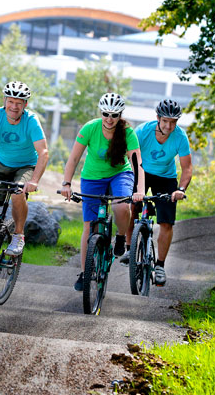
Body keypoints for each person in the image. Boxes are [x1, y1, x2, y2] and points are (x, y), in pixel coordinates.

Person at [60, 93, 145, 291]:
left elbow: (137, 164)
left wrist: (139, 190)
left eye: (114, 115)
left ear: (120, 115)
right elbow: (73, 159)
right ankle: (85, 272)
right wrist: (66, 183)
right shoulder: (90, 128)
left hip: (119, 174)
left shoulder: (127, 133)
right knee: (89, 226)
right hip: (92, 176)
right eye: (106, 113)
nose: (109, 118)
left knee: (121, 205)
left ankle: (122, 237)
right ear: (101, 112)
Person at [120, 99, 192, 287]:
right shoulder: (143, 132)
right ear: (158, 118)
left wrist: (180, 190)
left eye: (173, 122)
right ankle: (129, 247)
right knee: (132, 206)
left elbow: (187, 168)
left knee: (166, 222)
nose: (169, 126)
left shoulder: (180, 137)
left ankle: (159, 265)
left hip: (166, 178)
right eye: (165, 121)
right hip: (141, 171)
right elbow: (129, 157)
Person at [0, 81, 49, 256]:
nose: (14, 106)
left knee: (18, 193)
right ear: (4, 101)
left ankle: (19, 235)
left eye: (19, 103)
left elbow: (44, 152)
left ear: (25, 105)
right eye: (10, 101)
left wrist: (34, 181)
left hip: (25, 166)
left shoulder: (31, 120)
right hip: (1, 163)